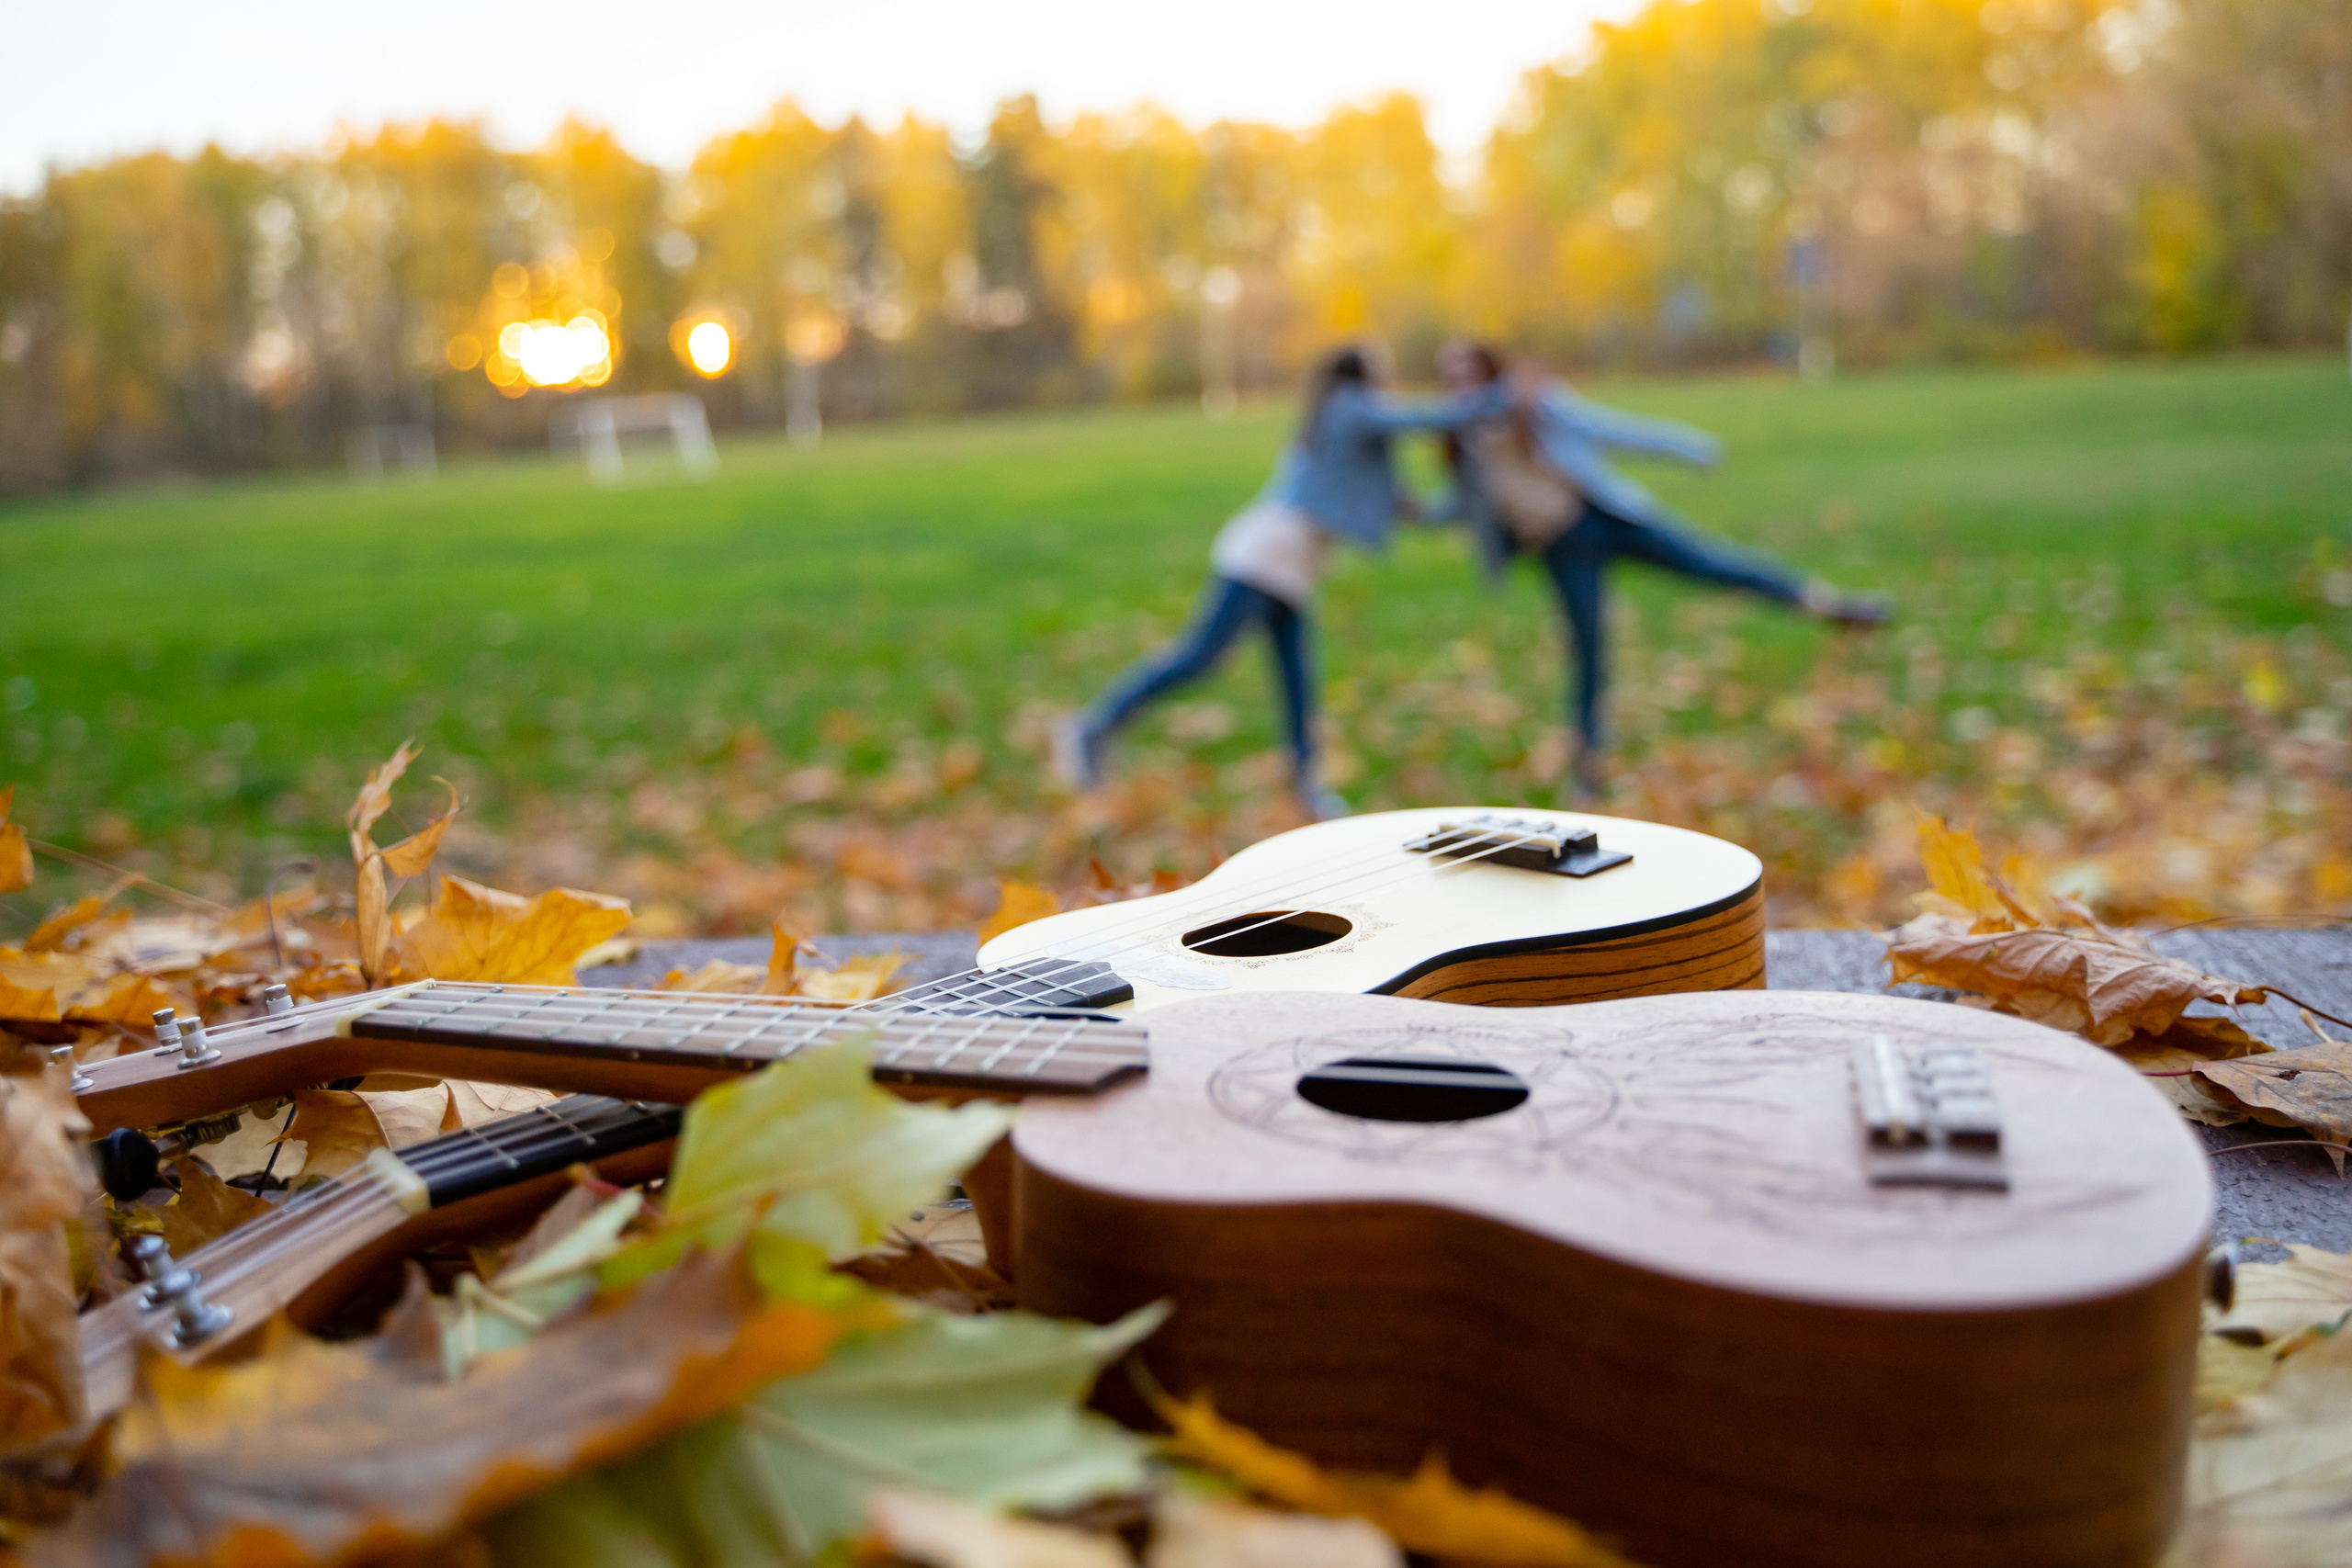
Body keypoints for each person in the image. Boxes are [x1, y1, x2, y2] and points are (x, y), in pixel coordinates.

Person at [1057, 345, 1508, 818]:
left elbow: (1413, 511)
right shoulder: (1348, 408)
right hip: (1263, 557)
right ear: (1358, 376)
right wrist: (1497, 399)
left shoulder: (1358, 450)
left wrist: (1467, 503)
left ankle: (1306, 789)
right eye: (1382, 374)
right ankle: (1091, 728)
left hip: (1291, 572)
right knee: (1200, 657)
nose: (1387, 385)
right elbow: (1420, 419)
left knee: (1297, 680)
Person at [1434, 340, 1887, 797]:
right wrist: (1404, 511)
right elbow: (1461, 508)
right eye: (1452, 379)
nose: (1462, 388)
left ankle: (1825, 603)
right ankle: (1588, 770)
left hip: (1605, 519)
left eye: (1469, 375)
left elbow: (1613, 429)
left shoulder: (1535, 406)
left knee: (1715, 564)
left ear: (1490, 372)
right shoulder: (1462, 441)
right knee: (1588, 649)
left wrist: (1687, 447)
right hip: (1562, 548)